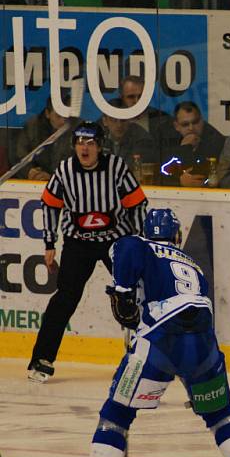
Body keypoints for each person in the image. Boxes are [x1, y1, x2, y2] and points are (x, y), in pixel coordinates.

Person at [74, 209, 230, 457]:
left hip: (161, 339)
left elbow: (125, 249)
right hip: (203, 344)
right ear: (176, 236)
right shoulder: (193, 264)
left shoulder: (140, 245)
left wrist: (123, 293)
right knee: (221, 414)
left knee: (118, 412)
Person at [27, 122, 148, 384]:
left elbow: (137, 203)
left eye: (91, 142)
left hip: (115, 241)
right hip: (78, 242)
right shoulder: (65, 170)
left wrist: (137, 241)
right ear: (74, 146)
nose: (85, 147)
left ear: (100, 146)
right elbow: (50, 204)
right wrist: (49, 243)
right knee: (65, 299)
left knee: (133, 295)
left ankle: (145, 356)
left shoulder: (116, 167)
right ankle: (41, 358)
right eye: (80, 142)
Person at [158, 101, 226, 188]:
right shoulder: (168, 139)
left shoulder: (216, 140)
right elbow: (159, 173)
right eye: (185, 124)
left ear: (202, 121)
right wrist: (179, 181)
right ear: (176, 126)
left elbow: (218, 175)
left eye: (195, 122)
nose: (191, 128)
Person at [12, 97, 73, 181]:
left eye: (66, 117)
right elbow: (19, 156)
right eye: (58, 116)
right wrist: (30, 171)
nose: (63, 121)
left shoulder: (76, 128)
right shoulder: (33, 127)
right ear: (47, 113)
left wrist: (53, 177)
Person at [101, 98, 158, 171]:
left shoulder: (143, 140)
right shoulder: (99, 139)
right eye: (114, 120)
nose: (119, 125)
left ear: (130, 119)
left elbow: (133, 169)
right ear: (105, 121)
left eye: (123, 120)